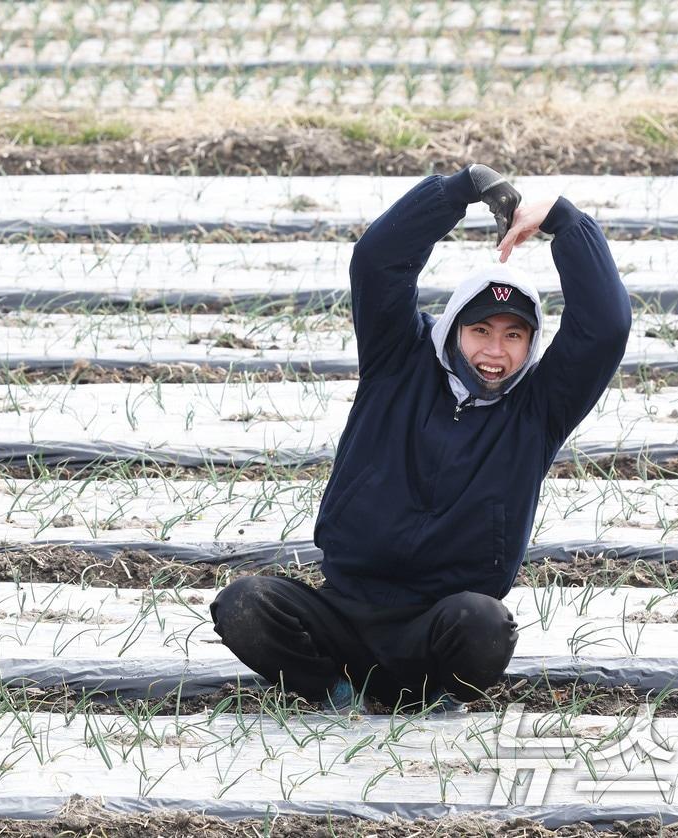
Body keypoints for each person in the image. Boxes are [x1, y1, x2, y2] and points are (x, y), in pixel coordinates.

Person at [210, 164, 631, 712]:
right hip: (342, 613)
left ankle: (429, 698)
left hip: (437, 628)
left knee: (484, 623)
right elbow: (378, 263)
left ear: (531, 346)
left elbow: (604, 328)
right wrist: (459, 189)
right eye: (480, 330)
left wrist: (566, 222)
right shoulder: (397, 364)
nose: (494, 352)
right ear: (453, 327)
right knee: (245, 603)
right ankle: (334, 692)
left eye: (513, 336)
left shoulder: (539, 410)